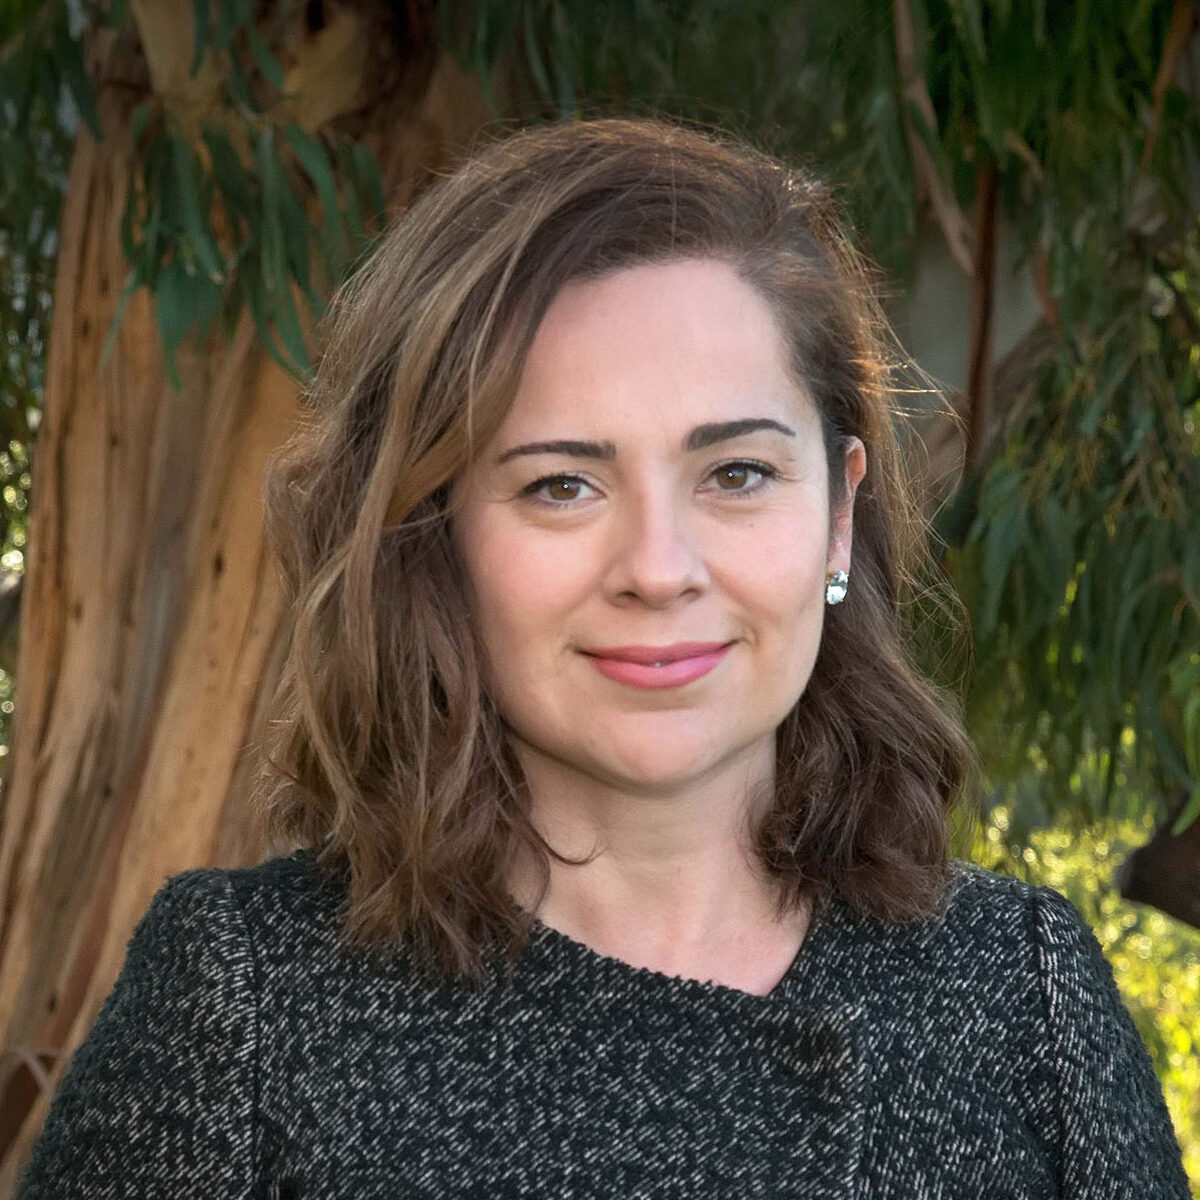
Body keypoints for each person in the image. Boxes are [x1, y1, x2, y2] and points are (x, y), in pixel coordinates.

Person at [17, 116, 1190, 1199]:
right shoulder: (243, 1004)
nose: (659, 568)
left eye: (736, 473)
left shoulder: (1024, 993)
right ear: (433, 538)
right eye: (562, 485)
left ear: (838, 516)